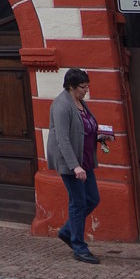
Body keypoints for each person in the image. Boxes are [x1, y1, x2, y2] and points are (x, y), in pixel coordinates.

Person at [46, 67, 103, 264]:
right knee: (78, 202)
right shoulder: (62, 105)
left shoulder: (80, 102)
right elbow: (62, 139)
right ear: (71, 86)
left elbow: (86, 127)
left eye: (87, 86)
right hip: (71, 163)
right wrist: (75, 166)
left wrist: (100, 136)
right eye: (82, 87)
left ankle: (68, 230)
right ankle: (79, 247)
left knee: (93, 199)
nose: (86, 90)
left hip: (85, 160)